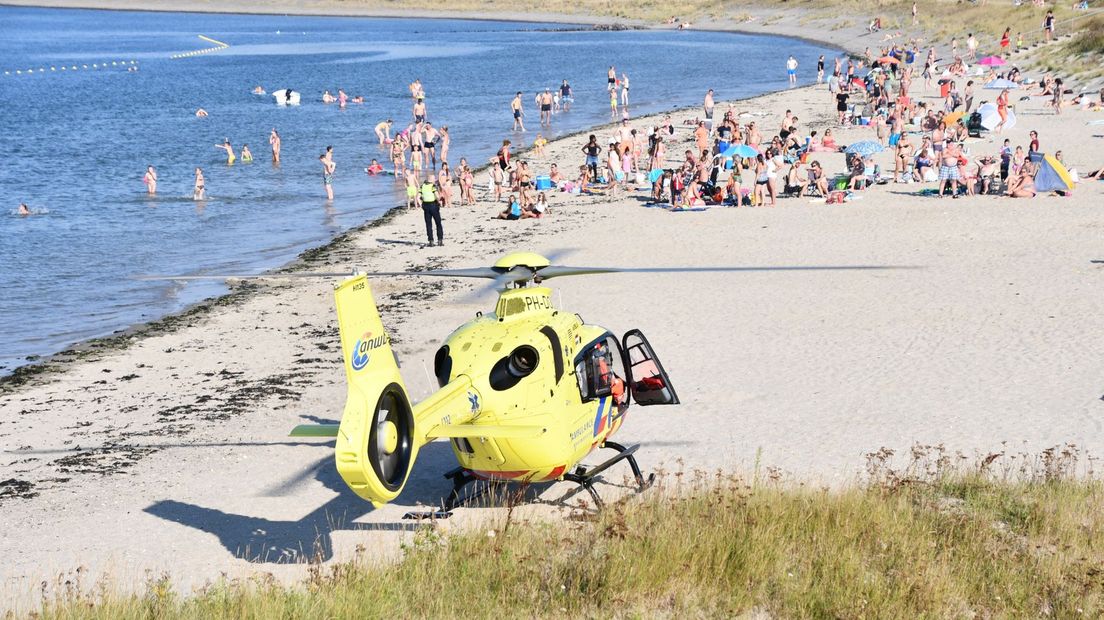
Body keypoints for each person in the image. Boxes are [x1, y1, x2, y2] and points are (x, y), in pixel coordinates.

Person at [420, 178, 443, 246]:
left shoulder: (422, 186)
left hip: (425, 205)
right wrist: (439, 201)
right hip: (433, 205)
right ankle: (440, 240)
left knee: (428, 224)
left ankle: (431, 241)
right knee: (438, 223)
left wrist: (421, 205)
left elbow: (418, 196)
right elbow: (436, 196)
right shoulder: (433, 186)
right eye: (433, 179)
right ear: (431, 181)